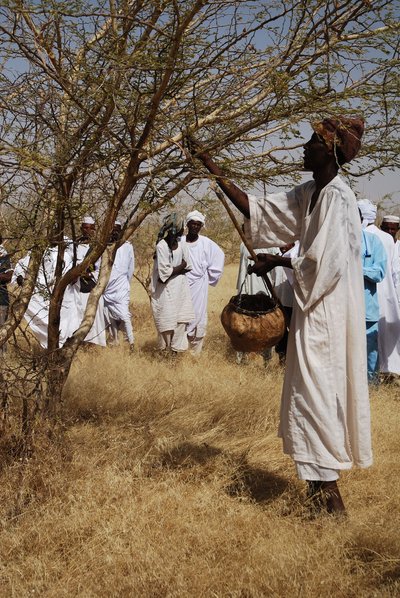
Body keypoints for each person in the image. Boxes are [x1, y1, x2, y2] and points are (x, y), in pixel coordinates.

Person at [189, 116, 372, 515]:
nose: (303, 148)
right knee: (305, 399)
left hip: (328, 316)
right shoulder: (310, 192)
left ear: (332, 150)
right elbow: (258, 210)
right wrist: (209, 163)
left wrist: (282, 261)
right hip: (312, 313)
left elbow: (325, 263)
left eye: (312, 143)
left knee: (320, 398)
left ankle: (332, 502)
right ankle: (317, 497)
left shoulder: (339, 199)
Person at [357, 201, 400, 381]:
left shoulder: (371, 238)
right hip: (384, 295)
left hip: (371, 297)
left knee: (371, 342)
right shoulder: (385, 238)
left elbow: (384, 270)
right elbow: (395, 271)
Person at [181, 210, 224, 355]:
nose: (195, 227)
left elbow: (219, 257)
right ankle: (180, 350)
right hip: (181, 285)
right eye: (192, 223)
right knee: (181, 316)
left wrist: (209, 277)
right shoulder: (179, 241)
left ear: (201, 226)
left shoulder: (206, 243)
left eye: (198, 224)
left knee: (197, 315)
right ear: (187, 224)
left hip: (199, 285)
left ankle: (195, 353)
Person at [151, 214, 194, 354]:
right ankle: (166, 349)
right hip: (165, 290)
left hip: (181, 289)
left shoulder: (182, 244)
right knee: (167, 321)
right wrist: (180, 268)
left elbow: (188, 265)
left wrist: (173, 271)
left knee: (181, 320)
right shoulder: (162, 246)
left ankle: (175, 352)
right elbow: (163, 276)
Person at [63, 216, 106, 347]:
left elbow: (100, 269)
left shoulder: (97, 247)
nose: (87, 231)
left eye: (90, 228)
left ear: (94, 229)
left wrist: (85, 274)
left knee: (91, 318)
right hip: (75, 288)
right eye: (84, 228)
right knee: (76, 318)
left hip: (90, 287)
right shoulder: (73, 245)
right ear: (81, 229)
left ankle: (91, 345)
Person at [235, 241, 277, 365]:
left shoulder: (271, 245)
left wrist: (274, 291)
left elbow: (274, 271)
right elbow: (242, 269)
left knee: (266, 325)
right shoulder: (243, 244)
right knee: (244, 325)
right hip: (247, 291)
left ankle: (267, 359)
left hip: (265, 291)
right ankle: (242, 358)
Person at [359, 223, 387, 384]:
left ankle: (372, 387)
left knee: (370, 350)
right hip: (340, 310)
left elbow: (379, 272)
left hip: (366, 308)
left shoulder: (372, 241)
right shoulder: (334, 240)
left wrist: (358, 269)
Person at [103, 220, 135, 350]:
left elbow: (130, 269)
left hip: (121, 288)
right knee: (108, 318)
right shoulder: (103, 246)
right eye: (112, 228)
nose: (114, 231)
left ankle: (131, 343)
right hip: (106, 289)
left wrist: (126, 285)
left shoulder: (127, 246)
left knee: (124, 316)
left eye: (117, 229)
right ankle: (114, 341)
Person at [380, 215, 400, 306]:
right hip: (382, 291)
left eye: (393, 229)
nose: (389, 232)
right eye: (386, 229)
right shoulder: (377, 244)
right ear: (381, 228)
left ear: (397, 229)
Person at [0, 234, 13, 353]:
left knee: (1, 328)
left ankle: (3, 358)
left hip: (1, 299)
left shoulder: (4, 256)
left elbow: (8, 276)